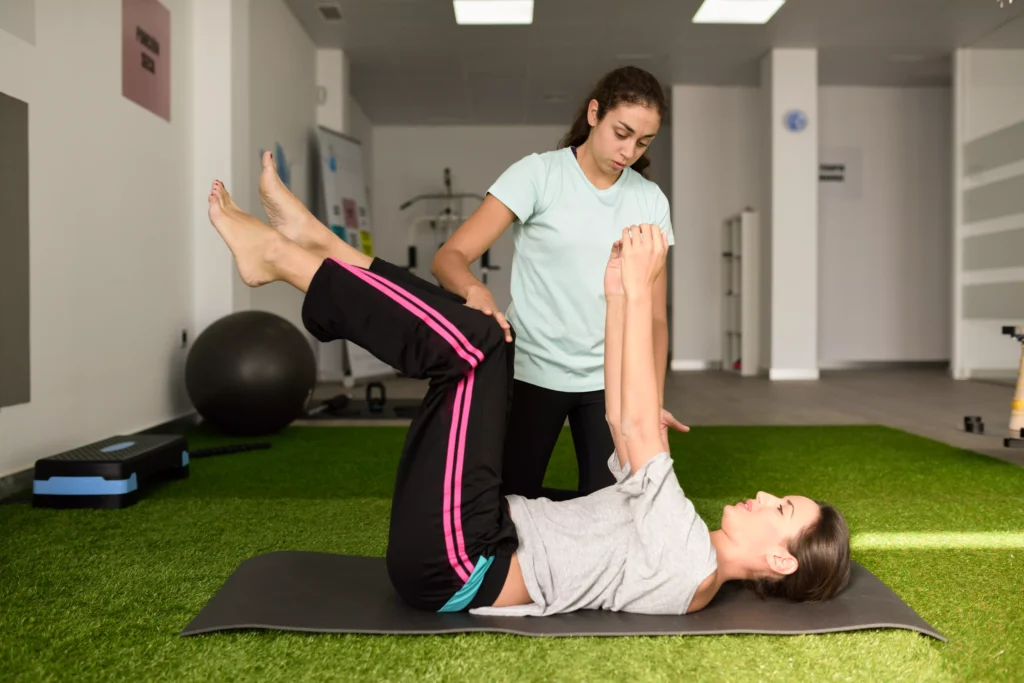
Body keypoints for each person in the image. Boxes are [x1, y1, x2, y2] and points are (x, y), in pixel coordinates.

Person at [206, 170, 852, 616]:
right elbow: (616, 409)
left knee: (478, 346)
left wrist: (643, 281)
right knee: (490, 337)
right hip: (470, 534)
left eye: (783, 507)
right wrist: (617, 293)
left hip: (458, 559)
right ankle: (331, 251)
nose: (767, 495)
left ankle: (286, 260)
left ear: (780, 559)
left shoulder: (688, 554)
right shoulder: (682, 547)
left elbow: (630, 421)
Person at [431, 66, 684, 502]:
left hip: (610, 380)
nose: (629, 150)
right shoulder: (538, 176)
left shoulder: (649, 200)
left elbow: (655, 318)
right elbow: (448, 257)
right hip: (530, 370)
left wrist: (649, 401)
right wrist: (476, 291)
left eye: (643, 142)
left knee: (613, 510)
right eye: (621, 133)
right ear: (594, 114)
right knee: (507, 502)